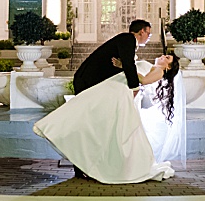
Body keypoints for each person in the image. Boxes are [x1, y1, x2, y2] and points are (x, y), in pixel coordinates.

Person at [33, 53, 182, 184]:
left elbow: (143, 81)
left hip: (118, 92)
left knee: (90, 112)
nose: (163, 56)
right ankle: (55, 129)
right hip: (112, 87)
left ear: (168, 67)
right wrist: (125, 65)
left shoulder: (159, 71)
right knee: (86, 109)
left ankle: (56, 130)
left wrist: (128, 66)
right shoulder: (152, 66)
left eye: (167, 58)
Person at [72, 19, 152, 95]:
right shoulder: (128, 38)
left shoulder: (125, 39)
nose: (149, 37)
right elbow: (129, 63)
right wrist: (135, 87)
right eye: (148, 33)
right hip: (87, 81)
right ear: (142, 32)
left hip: (90, 80)